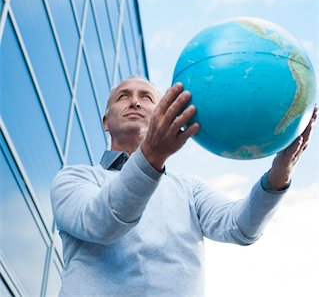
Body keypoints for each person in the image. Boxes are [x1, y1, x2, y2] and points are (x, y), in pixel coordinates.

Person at [51, 77, 317, 297]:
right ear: (106, 122)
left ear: (159, 115)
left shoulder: (188, 188)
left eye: (146, 97)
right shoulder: (74, 179)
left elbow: (241, 228)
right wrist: (152, 156)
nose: (134, 101)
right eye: (123, 96)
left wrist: (280, 173)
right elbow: (103, 222)